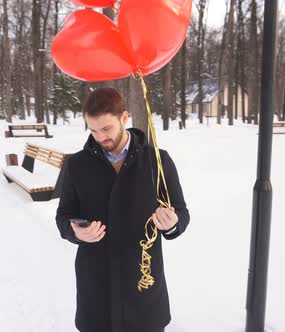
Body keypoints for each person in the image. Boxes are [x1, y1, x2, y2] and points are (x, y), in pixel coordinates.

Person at [56, 87, 190, 332]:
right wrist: (76, 232)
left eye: (106, 129)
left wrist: (171, 223)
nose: (100, 137)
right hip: (96, 285)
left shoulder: (156, 161)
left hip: (142, 282)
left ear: (124, 118)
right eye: (93, 130)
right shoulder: (77, 165)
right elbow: (63, 216)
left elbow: (181, 213)